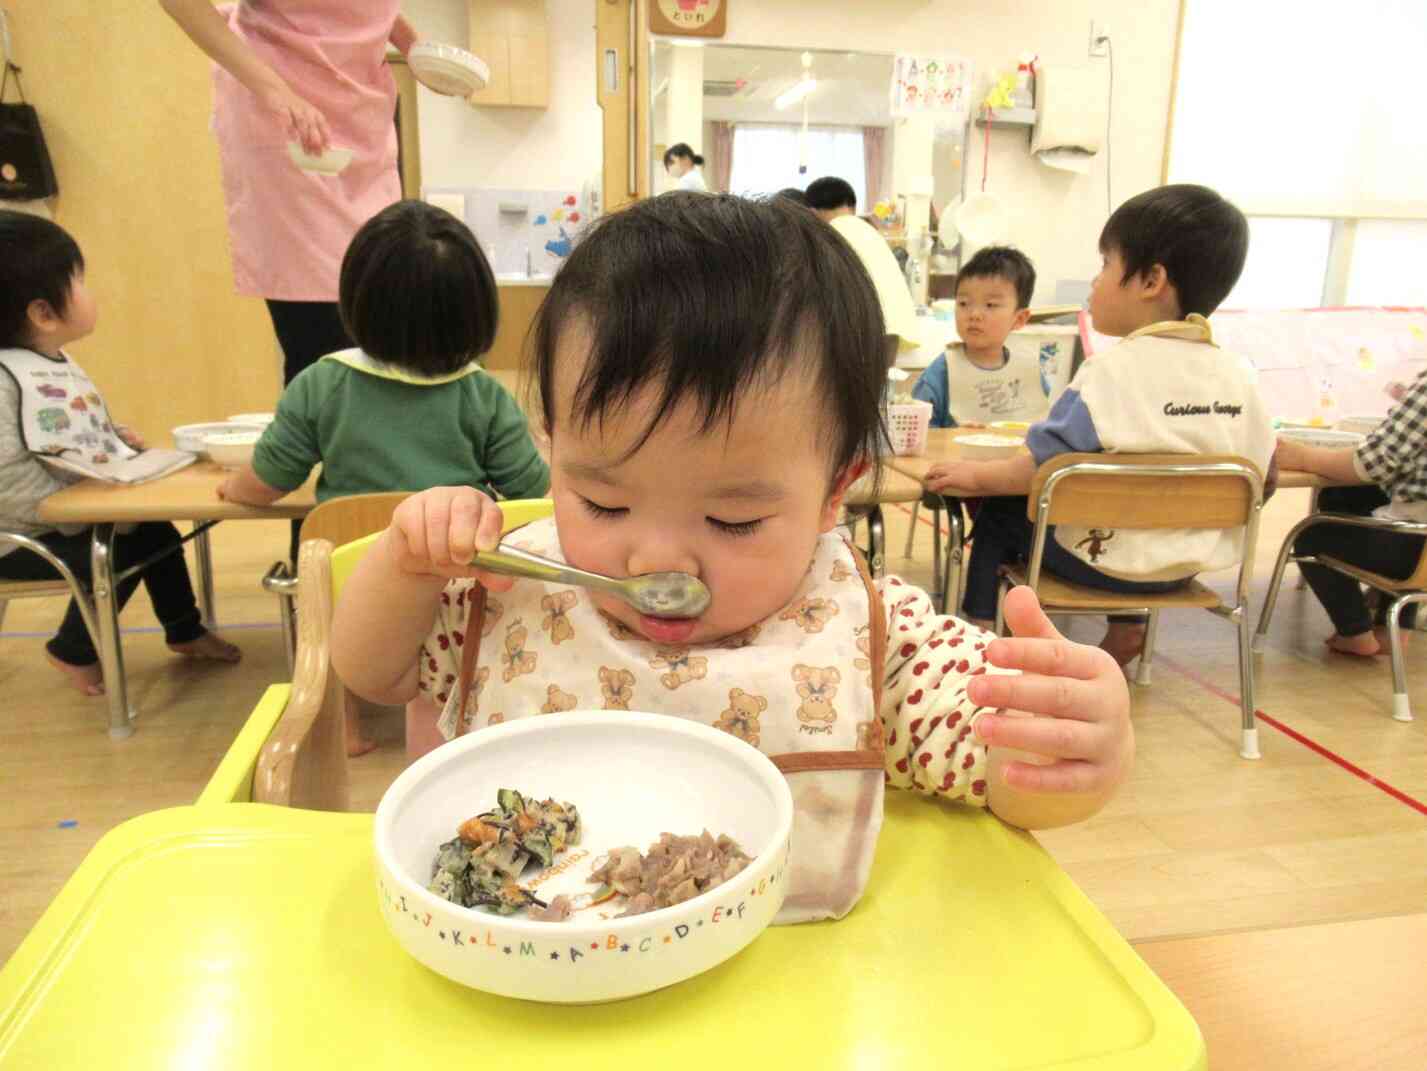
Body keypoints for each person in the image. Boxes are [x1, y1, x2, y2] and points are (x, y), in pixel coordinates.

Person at [330, 192, 1133, 925]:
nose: (655, 555)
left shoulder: (871, 635)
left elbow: (999, 770)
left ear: (832, 493)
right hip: (528, 983)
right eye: (603, 502)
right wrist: (407, 564)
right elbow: (374, 673)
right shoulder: (516, 589)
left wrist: (1075, 754)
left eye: (733, 517)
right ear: (553, 451)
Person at [926, 184, 1275, 663]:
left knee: (999, 514)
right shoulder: (1240, 375)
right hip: (1188, 564)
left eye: (1105, 264)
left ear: (1151, 280)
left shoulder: (1109, 372)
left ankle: (980, 631)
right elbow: (1266, 475)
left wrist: (974, 477)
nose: (1094, 282)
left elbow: (1043, 468)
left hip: (1102, 560)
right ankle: (1128, 628)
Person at [0, 211, 241, 696]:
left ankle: (184, 629)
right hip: (19, 537)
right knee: (122, 545)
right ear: (43, 313)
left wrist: (110, 442)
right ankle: (72, 649)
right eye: (80, 281)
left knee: (154, 529)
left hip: (61, 517)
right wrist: (79, 512)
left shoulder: (48, 362)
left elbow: (60, 436)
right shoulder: (7, 379)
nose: (91, 293)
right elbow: (7, 480)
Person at [161, 0, 427, 385]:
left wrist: (413, 45)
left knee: (378, 312)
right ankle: (313, 439)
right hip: (288, 119)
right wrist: (274, 90)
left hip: (363, 114)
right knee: (327, 345)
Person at [1274, 372, 1427, 657]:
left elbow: (1374, 462)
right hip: (1419, 541)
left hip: (1414, 544)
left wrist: (1304, 456)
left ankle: (1355, 632)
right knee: (1344, 494)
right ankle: (1396, 627)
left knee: (1311, 536)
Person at [913, 246, 1048, 429]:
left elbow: (1046, 427)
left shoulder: (1029, 371)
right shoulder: (940, 374)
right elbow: (917, 433)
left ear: (1019, 319)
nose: (974, 314)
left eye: (990, 305)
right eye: (963, 303)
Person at [804, 176, 920, 355]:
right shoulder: (872, 233)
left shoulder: (830, 236)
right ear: (853, 207)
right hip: (894, 337)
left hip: (865, 337)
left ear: (811, 213)